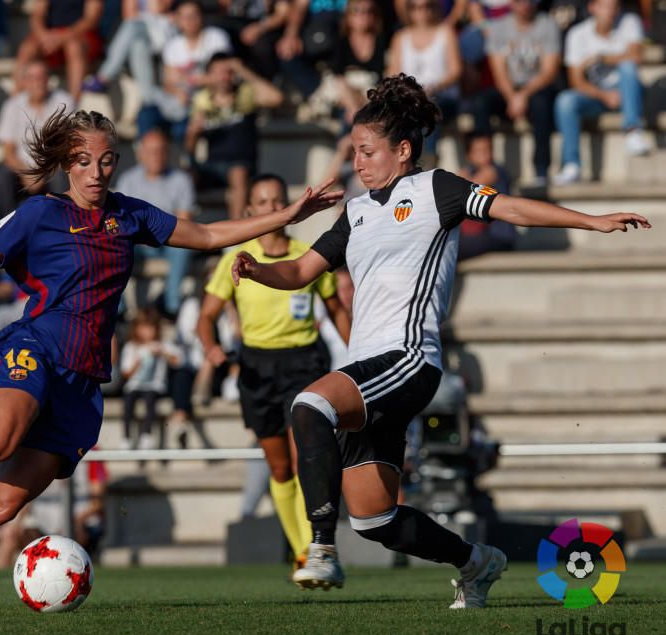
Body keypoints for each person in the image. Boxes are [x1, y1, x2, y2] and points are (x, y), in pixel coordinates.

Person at [0, 108, 342, 611]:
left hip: (82, 384)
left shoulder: (129, 215)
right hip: (32, 350)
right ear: (66, 164)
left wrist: (292, 214)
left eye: (107, 160)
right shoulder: (40, 212)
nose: (96, 171)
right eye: (84, 160)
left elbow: (204, 235)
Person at [231, 74, 650, 606]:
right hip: (368, 372)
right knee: (375, 520)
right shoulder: (356, 212)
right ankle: (478, 562)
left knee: (310, 404)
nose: (357, 162)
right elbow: (299, 271)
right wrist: (256, 268)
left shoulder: (435, 189)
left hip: (407, 358)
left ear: (402, 151)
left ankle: (318, 548)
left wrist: (592, 221)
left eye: (367, 151)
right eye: (355, 151)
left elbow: (514, 208)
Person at [197, 173, 351, 571]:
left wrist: (357, 352)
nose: (270, 209)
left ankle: (315, 551)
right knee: (279, 467)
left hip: (304, 362)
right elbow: (207, 315)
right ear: (250, 211)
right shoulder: (239, 257)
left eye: (276, 201)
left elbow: (335, 309)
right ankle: (303, 549)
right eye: (262, 203)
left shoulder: (307, 254)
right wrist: (211, 346)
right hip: (257, 367)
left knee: (305, 457)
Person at [552, 0, 650, 186]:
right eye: (605, 6)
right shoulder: (577, 34)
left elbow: (637, 57)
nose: (611, 11)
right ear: (592, 8)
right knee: (565, 101)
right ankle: (572, 165)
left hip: (629, 93)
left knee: (628, 69)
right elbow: (575, 81)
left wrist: (602, 58)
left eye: (614, 6)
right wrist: (604, 95)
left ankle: (632, 129)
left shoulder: (629, 21)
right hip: (597, 96)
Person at [185, 54, 283, 219]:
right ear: (209, 75)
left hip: (243, 166)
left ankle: (236, 234)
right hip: (212, 166)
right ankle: (185, 235)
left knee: (237, 173)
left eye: (228, 72)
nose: (224, 77)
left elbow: (276, 98)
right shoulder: (201, 101)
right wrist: (193, 132)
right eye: (218, 72)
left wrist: (242, 70)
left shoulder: (245, 94)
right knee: (183, 177)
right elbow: (189, 148)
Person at [475, 0, 560, 187]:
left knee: (541, 104)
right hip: (509, 89)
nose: (526, 4)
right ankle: (483, 166)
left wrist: (523, 95)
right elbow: (499, 73)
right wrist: (512, 97)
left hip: (537, 89)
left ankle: (541, 170)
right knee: (481, 102)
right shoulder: (498, 27)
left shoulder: (548, 25)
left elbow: (549, 72)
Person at [115, 128, 196, 318]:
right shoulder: (128, 180)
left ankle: (171, 306)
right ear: (141, 153)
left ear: (167, 152)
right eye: (151, 151)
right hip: (137, 242)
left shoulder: (181, 180)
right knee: (114, 243)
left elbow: (185, 223)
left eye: (160, 150)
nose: (156, 156)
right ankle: (118, 309)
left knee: (184, 245)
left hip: (169, 240)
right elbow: (121, 222)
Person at [0, 59, 74, 222]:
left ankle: (64, 224)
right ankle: (2, 226)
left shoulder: (64, 102)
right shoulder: (12, 105)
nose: (37, 83)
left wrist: (41, 172)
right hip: (21, 168)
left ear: (48, 79)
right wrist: (27, 172)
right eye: (32, 78)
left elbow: (65, 145)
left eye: (41, 77)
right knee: (1, 177)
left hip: (52, 166)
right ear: (24, 82)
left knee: (61, 174)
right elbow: (8, 151)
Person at [137, 0, 232, 140]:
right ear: (178, 20)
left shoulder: (217, 38)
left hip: (207, 102)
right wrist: (177, 91)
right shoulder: (173, 45)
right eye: (185, 17)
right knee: (147, 114)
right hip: (180, 103)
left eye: (194, 16)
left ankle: (187, 160)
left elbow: (223, 76)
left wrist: (188, 80)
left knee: (182, 129)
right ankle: (143, 154)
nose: (190, 21)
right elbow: (168, 82)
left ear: (202, 16)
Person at [386, 0, 462, 161]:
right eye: (415, 6)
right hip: (410, 96)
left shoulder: (445, 32)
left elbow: (456, 71)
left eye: (427, 5)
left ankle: (427, 158)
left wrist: (434, 87)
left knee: (427, 106)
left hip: (442, 93)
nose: (422, 10)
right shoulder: (400, 37)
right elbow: (392, 73)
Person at [15, 0, 104, 104]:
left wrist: (62, 36)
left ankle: (73, 104)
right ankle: (15, 100)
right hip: (52, 36)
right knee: (27, 48)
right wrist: (43, 36)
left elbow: (91, 19)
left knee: (73, 47)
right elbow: (37, 14)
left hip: (81, 36)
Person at [81, 0, 176, 95]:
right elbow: (128, 14)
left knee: (131, 26)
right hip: (140, 34)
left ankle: (103, 77)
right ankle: (148, 97)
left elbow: (158, 10)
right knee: (138, 45)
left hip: (161, 34)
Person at [120, 307, 182, 450]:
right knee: (128, 404)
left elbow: (177, 360)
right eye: (143, 328)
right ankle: (126, 438)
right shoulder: (131, 347)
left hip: (154, 385)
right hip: (134, 385)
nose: (146, 332)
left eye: (150, 328)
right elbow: (126, 373)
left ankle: (146, 435)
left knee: (150, 401)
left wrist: (163, 353)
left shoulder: (161, 345)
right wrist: (138, 362)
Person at [457, 132, 516, 259]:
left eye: (489, 149)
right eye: (479, 151)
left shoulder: (494, 171)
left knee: (452, 248)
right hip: (481, 235)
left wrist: (462, 178)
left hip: (499, 237)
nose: (486, 155)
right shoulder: (471, 171)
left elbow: (465, 190)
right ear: (469, 155)